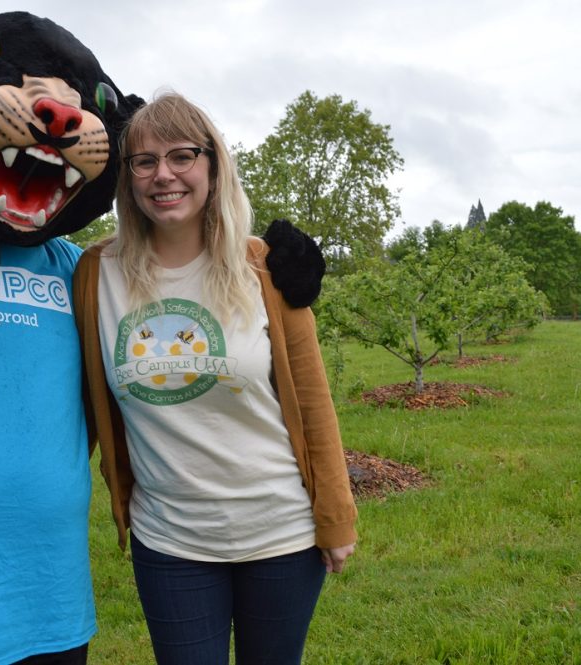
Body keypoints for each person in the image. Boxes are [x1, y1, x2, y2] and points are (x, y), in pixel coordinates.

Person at [73, 92, 358, 665]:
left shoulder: (268, 269)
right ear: (126, 178)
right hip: (170, 539)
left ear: (212, 165)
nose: (164, 175)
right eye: (144, 162)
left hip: (280, 533)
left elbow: (312, 399)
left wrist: (336, 516)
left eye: (182, 156)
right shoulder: (94, 274)